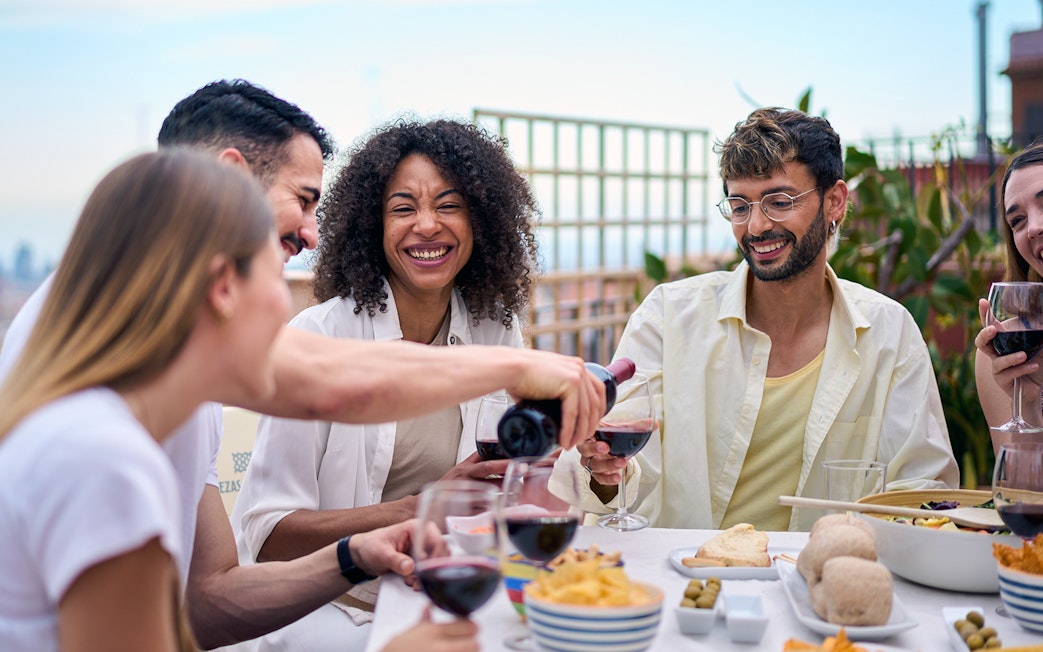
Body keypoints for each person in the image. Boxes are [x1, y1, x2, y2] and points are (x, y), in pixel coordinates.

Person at [0, 80, 604, 650]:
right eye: (304, 202)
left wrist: (353, 555)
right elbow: (334, 380)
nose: (313, 243)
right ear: (228, 191)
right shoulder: (105, 453)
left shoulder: (154, 370)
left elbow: (205, 602)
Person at [560, 107, 959, 531]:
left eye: (779, 202)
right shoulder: (667, 317)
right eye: (739, 206)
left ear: (835, 202)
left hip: (821, 582)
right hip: (683, 579)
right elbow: (617, 479)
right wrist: (603, 471)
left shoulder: (890, 333)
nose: (756, 226)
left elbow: (922, 491)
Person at [230, 118, 539, 650]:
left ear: (480, 220)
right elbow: (268, 537)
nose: (426, 225)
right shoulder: (321, 335)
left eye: (448, 205)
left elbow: (516, 484)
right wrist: (415, 510)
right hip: (338, 611)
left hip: (455, 595)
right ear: (370, 224)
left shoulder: (496, 331)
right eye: (403, 208)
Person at [975, 140, 1043, 453]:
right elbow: (1019, 497)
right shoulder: (1008, 360)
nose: (1033, 228)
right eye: (1017, 220)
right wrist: (1028, 407)